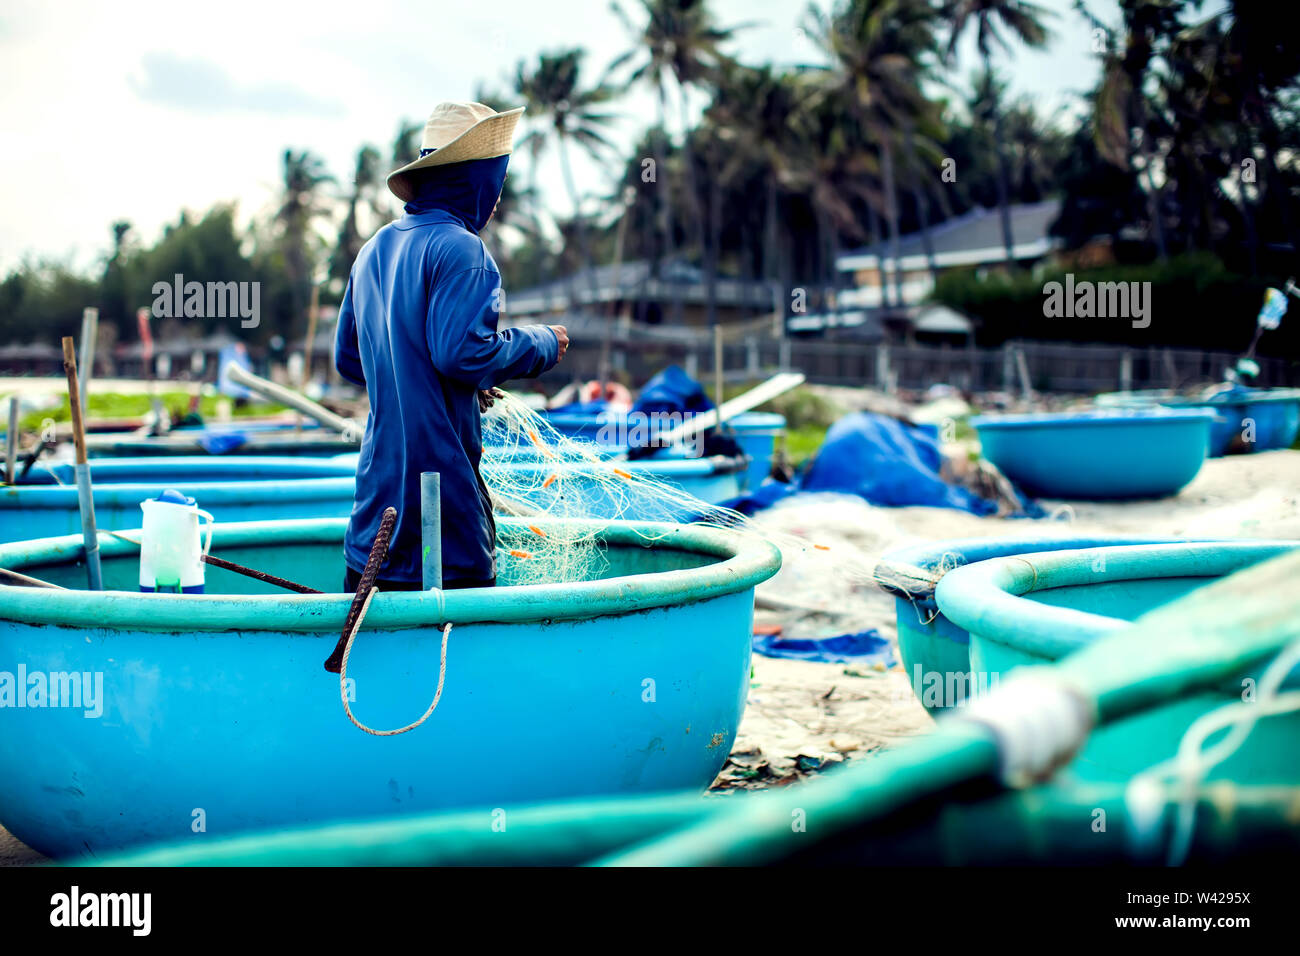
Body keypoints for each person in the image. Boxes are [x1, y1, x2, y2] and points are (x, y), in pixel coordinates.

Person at [334, 101, 568, 593]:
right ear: (474, 180)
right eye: (496, 186)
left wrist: (446, 384)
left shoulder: (373, 249)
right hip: (441, 525)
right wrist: (542, 342)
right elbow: (462, 354)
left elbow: (351, 360)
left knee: (377, 665)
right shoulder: (463, 251)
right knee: (458, 663)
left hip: (373, 523)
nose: (497, 201)